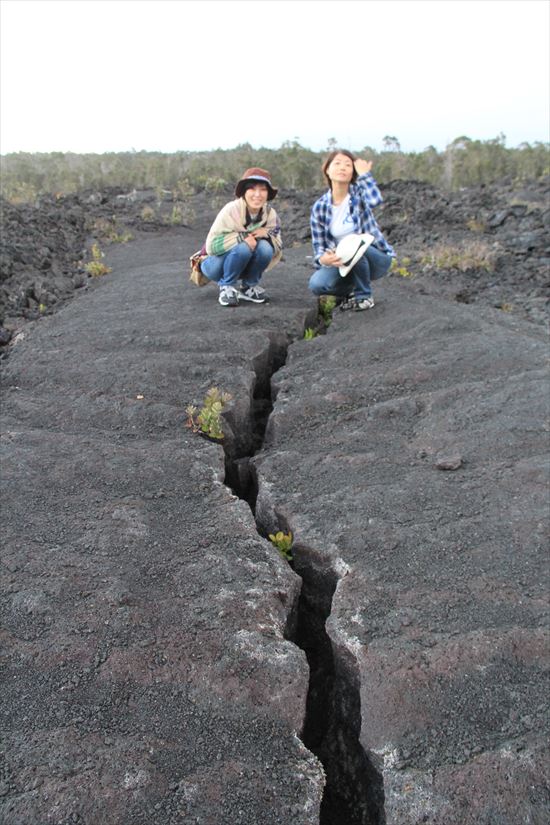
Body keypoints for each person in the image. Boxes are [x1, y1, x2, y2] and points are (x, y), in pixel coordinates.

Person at [309, 149, 395, 310]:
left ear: (353, 172)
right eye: (337, 163)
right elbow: (319, 246)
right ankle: (351, 290)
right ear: (327, 170)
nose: (342, 167)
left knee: (355, 244)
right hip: (344, 260)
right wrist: (323, 259)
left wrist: (364, 175)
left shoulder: (359, 195)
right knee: (317, 284)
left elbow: (375, 200)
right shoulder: (320, 207)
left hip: (375, 257)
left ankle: (364, 297)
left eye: (348, 165)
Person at [200, 167, 283, 307]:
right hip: (215, 264)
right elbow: (211, 246)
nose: (257, 194)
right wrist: (242, 237)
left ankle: (248, 287)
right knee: (244, 247)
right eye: (252, 189)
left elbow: (278, 243)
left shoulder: (269, 214)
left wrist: (266, 234)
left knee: (265, 248)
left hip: (241, 263)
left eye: (263, 189)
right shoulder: (231, 210)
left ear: (268, 193)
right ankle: (227, 287)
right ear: (244, 192)